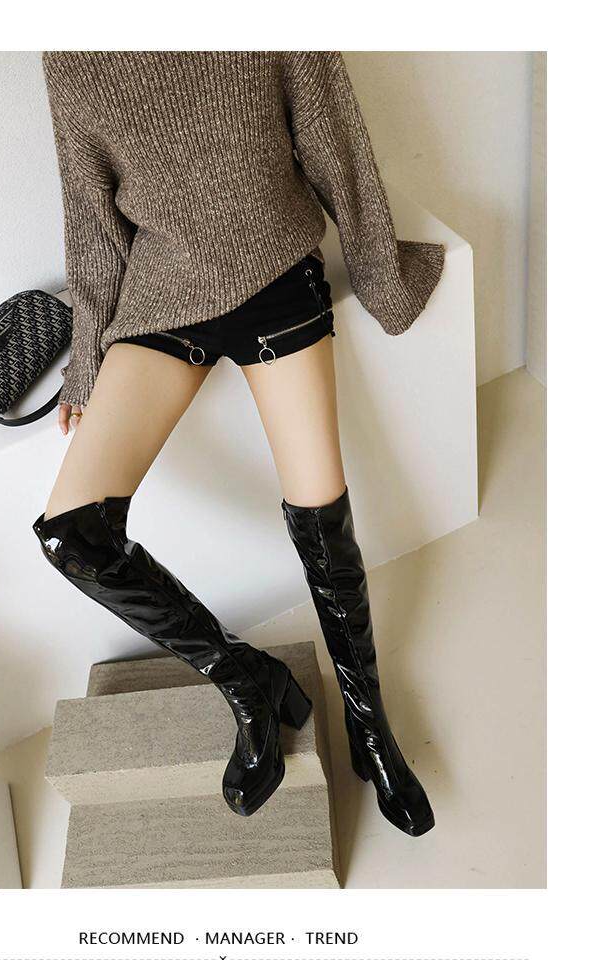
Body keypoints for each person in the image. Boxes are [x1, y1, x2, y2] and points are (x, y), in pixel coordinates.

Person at [33, 51, 443, 834]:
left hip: (276, 275)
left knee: (320, 512)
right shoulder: (72, 52)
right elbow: (90, 219)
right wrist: (86, 361)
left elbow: (332, 139)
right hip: (162, 300)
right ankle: (246, 680)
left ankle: (370, 728)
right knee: (70, 532)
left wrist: (380, 277)